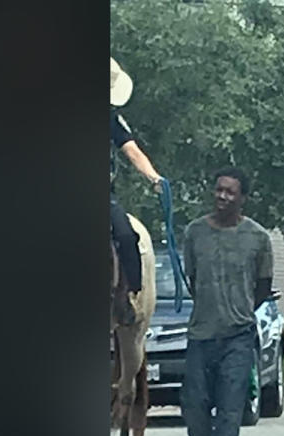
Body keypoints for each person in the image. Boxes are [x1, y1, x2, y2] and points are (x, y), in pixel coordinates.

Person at [181, 167, 274, 436]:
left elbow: (262, 287)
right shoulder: (195, 232)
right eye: (219, 189)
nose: (222, 196)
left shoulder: (258, 238)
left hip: (238, 337)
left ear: (242, 198)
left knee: (230, 410)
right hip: (200, 336)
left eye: (230, 192)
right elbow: (192, 279)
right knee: (194, 408)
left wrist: (240, 309)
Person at [110, 57, 164, 322]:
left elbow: (132, 150)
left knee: (126, 236)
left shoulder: (112, 120)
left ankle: (127, 295)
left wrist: (154, 177)